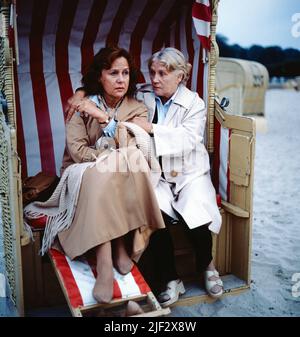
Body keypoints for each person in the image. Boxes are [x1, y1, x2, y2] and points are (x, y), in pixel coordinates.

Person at [65, 47, 223, 307]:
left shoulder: (194, 103)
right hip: (154, 171)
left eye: (163, 73)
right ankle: (171, 278)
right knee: (154, 211)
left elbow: (188, 139)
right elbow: (105, 91)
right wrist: (81, 94)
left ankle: (207, 265)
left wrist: (151, 128)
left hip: (188, 171)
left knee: (197, 212)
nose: (155, 78)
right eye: (152, 72)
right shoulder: (144, 95)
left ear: (180, 76)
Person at [25, 46, 165, 304]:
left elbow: (134, 149)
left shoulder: (138, 108)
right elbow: (77, 151)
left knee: (125, 163)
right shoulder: (82, 104)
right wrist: (109, 155)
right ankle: (106, 258)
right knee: (109, 169)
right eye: (113, 73)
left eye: (125, 73)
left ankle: (118, 248)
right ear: (100, 76)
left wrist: (103, 119)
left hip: (123, 170)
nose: (121, 79)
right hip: (81, 171)